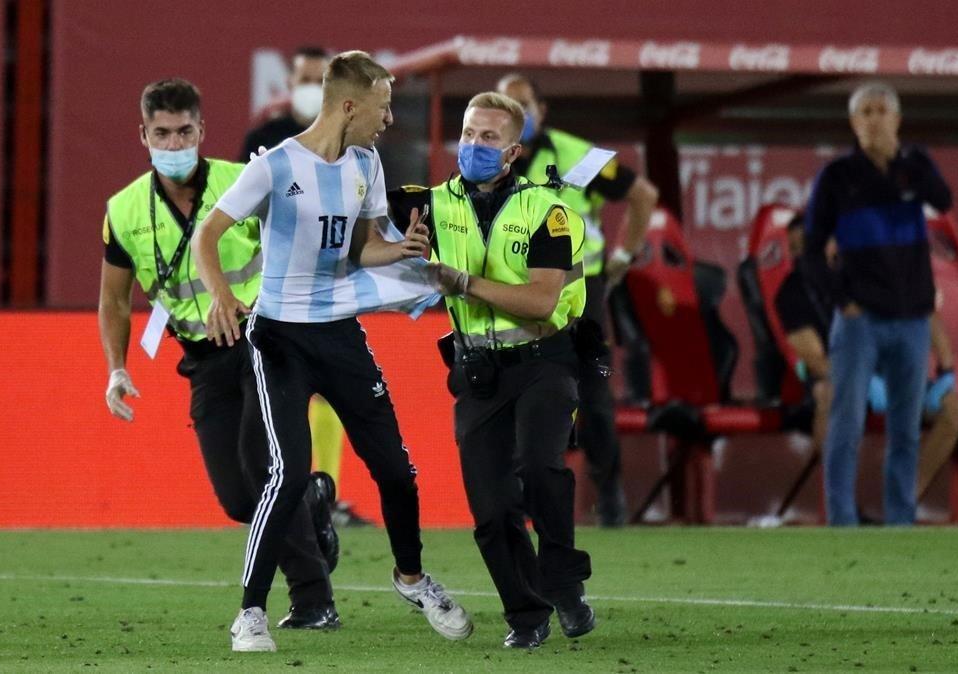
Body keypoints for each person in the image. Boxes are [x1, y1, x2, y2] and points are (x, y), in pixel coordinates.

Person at [191, 51, 471, 652]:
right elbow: (206, 236)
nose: (389, 118)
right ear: (350, 105)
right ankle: (251, 613)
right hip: (280, 339)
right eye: (384, 104)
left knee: (397, 470)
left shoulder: (365, 164)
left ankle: (412, 579)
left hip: (339, 333)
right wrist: (219, 296)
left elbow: (357, 250)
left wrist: (396, 253)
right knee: (287, 472)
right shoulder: (274, 166)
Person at [98, 79, 342, 631]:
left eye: (185, 130)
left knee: (262, 464)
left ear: (203, 131)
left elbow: (301, 246)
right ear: (143, 135)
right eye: (162, 132)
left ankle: (313, 598)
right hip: (203, 360)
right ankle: (312, 504)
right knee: (237, 498)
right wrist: (117, 367)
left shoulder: (245, 183)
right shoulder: (122, 210)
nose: (174, 141)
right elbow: (114, 299)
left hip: (266, 342)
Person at [392, 91, 594, 648]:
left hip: (544, 362)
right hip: (478, 370)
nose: (472, 147)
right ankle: (527, 618)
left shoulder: (548, 213)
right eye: (467, 134)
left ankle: (563, 583)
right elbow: (357, 228)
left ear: (513, 152)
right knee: (490, 507)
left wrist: (463, 283)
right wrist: (392, 248)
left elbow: (540, 302)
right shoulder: (427, 204)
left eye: (487, 139)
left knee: (538, 465)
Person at [497, 73, 659, 527]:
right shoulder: (489, 159)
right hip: (519, 289)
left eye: (524, 103)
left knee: (592, 390)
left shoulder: (576, 155)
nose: (516, 112)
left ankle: (610, 499)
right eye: (506, 104)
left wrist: (624, 254)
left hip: (581, 289)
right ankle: (520, 502)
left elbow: (642, 194)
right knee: (521, 389)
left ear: (542, 111)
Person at [802, 82, 953, 526]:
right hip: (860, 319)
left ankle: (900, 521)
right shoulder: (836, 177)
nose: (873, 119)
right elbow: (811, 252)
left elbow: (943, 200)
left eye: (881, 111)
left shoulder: (916, 166)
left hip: (911, 317)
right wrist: (840, 300)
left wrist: (901, 160)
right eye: (865, 112)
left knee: (905, 429)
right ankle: (842, 522)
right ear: (853, 123)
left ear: (897, 120)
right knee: (846, 425)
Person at [238, 45, 370, 529]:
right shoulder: (266, 142)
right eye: (304, 78)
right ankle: (284, 491)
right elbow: (241, 221)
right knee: (282, 405)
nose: (311, 88)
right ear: (290, 83)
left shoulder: (354, 149)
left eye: (320, 79)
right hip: (274, 295)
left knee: (330, 399)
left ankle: (325, 497)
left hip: (329, 294)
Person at [775, 215, 958, 513]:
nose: (802, 255)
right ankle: (844, 504)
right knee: (825, 397)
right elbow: (813, 357)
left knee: (953, 409)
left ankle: (906, 499)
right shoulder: (792, 292)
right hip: (841, 376)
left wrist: (947, 366)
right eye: (795, 249)